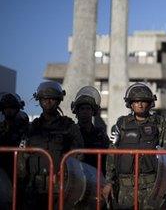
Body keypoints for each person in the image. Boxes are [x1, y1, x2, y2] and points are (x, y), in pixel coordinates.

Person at [103, 82, 166, 209]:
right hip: (126, 187)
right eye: (136, 101)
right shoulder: (121, 123)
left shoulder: (158, 122)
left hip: (151, 186)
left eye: (143, 101)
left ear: (149, 103)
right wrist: (109, 181)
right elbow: (112, 152)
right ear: (130, 104)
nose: (140, 104)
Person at [20, 81, 84, 209]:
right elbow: (22, 156)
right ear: (39, 100)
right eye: (44, 99)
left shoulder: (69, 126)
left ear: (59, 100)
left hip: (59, 186)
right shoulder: (32, 128)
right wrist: (22, 182)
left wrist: (65, 175)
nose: (48, 102)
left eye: (52, 99)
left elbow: (78, 154)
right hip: (34, 187)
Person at [71, 86, 109, 171]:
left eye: (88, 109)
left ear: (93, 112)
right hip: (77, 176)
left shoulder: (100, 134)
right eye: (82, 109)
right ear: (77, 112)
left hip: (97, 177)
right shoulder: (71, 132)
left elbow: (108, 156)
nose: (85, 111)